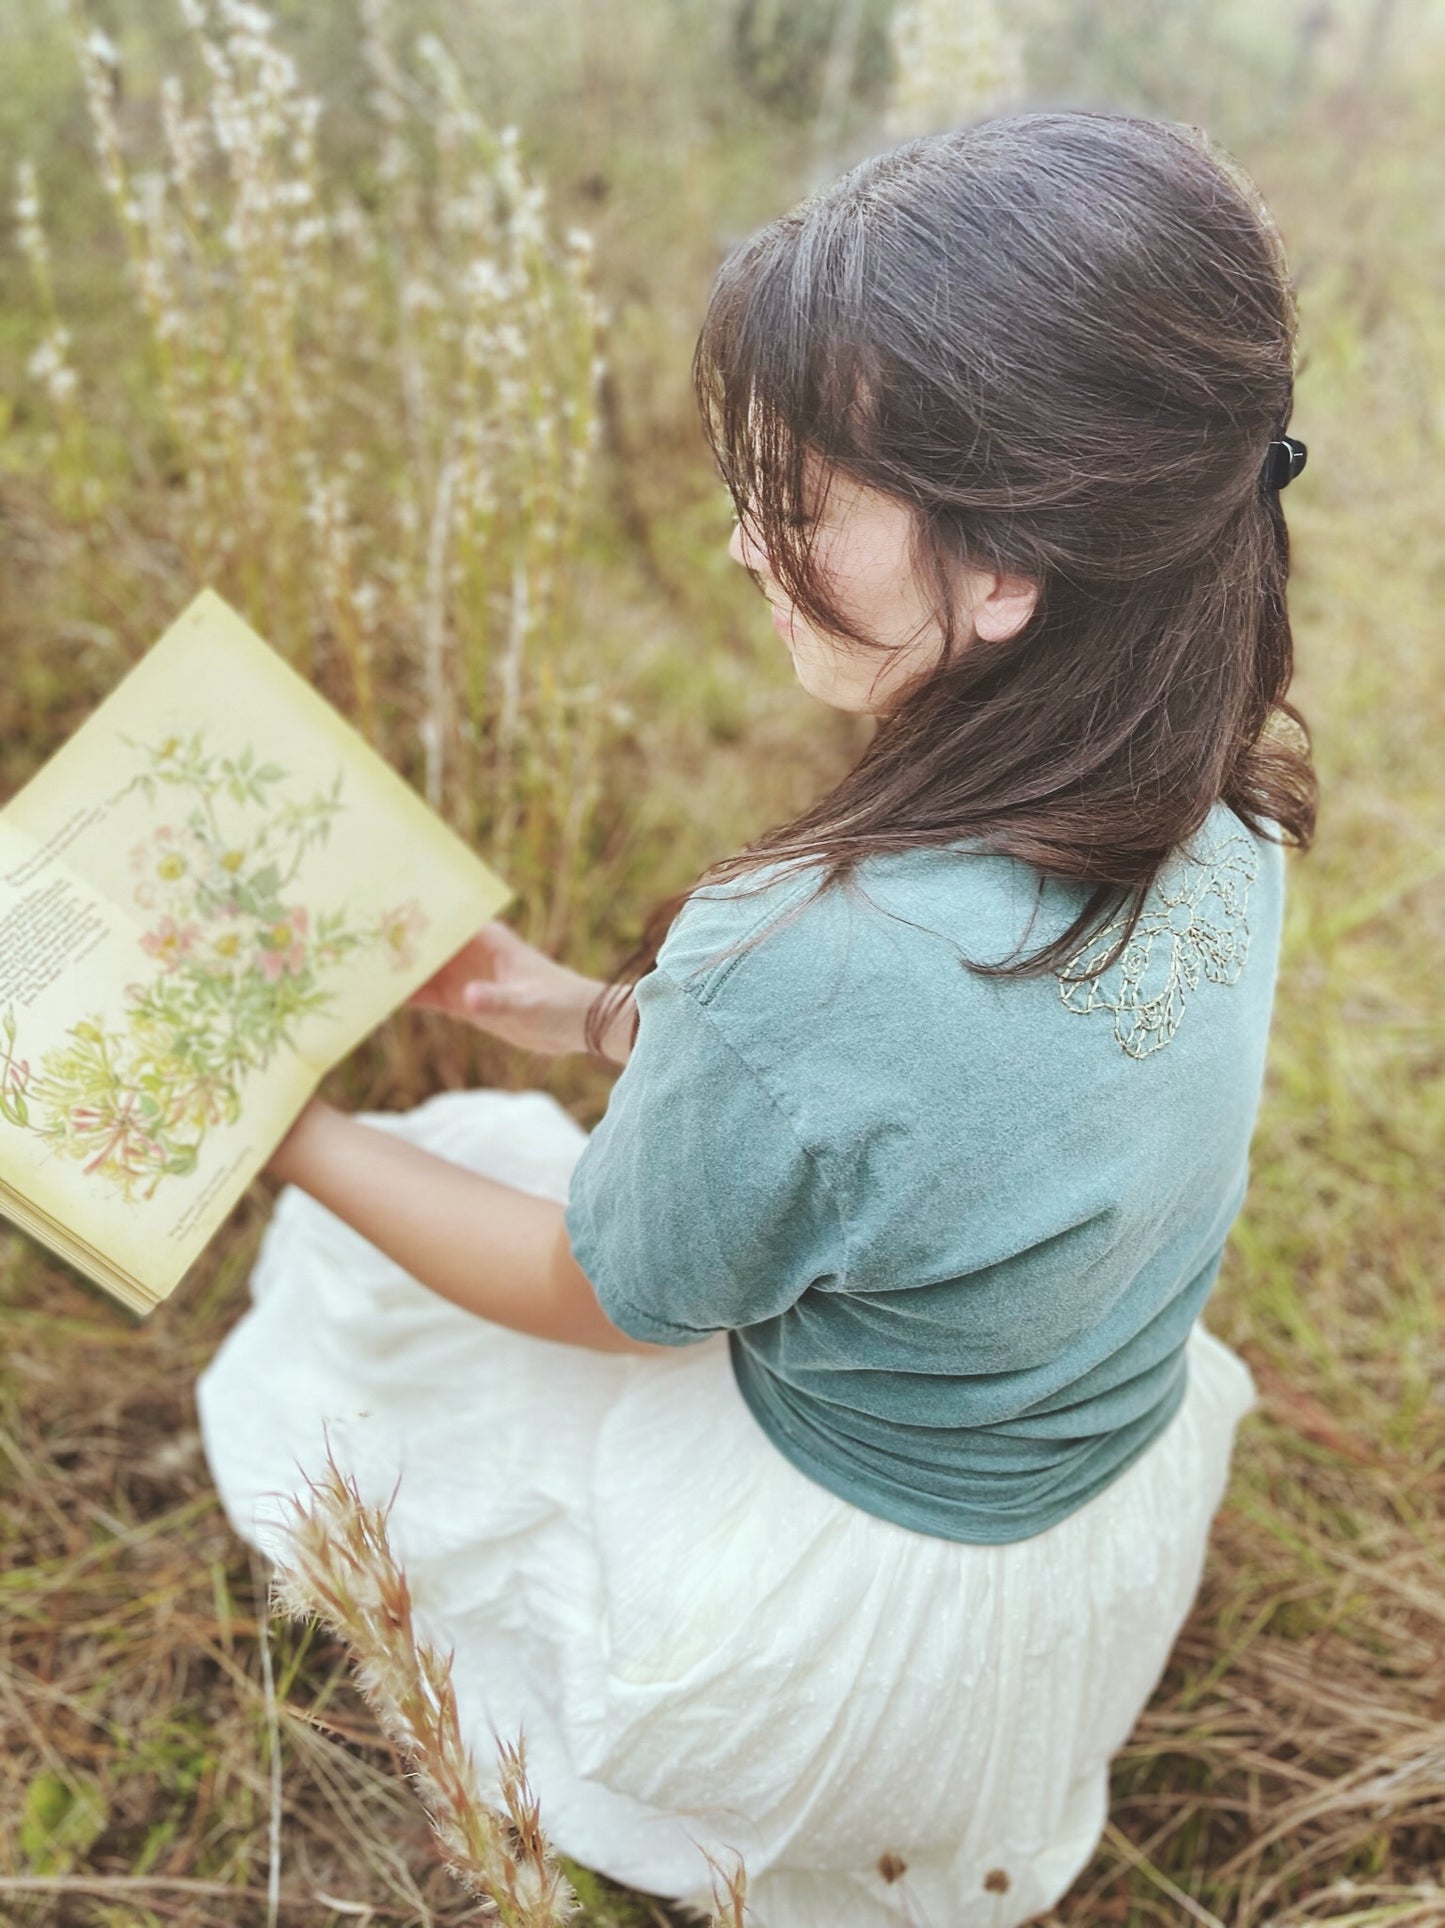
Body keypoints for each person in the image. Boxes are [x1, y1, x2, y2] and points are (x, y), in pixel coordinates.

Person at [196, 110, 1316, 1928]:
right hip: (1062, 1523)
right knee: (506, 1138)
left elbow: (603, 1300)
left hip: (846, 1622)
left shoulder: (803, 952)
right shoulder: (1218, 804)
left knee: (421, 1203)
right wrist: (579, 1017)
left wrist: (291, 1130)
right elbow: (932, 1116)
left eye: (797, 501)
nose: (739, 539)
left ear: (1011, 567)